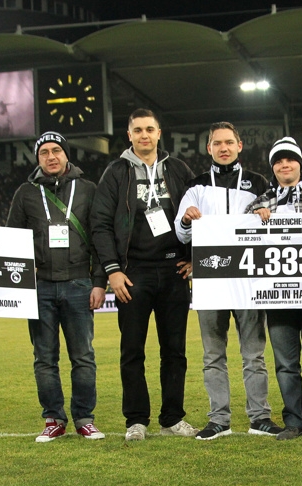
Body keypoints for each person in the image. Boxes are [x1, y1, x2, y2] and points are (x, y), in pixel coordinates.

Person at [92, 109, 199, 441]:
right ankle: (136, 420)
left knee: (175, 350)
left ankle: (172, 417)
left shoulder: (178, 169)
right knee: (132, 350)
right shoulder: (115, 173)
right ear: (129, 134)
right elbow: (100, 224)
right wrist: (112, 271)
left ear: (159, 132)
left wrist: (195, 258)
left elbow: (200, 212)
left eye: (149, 129)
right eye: (137, 130)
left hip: (173, 270)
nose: (144, 135)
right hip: (133, 273)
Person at [175, 122, 283, 440]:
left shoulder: (260, 183)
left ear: (239, 146)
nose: (223, 148)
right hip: (211, 281)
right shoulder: (195, 187)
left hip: (249, 282)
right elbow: (181, 233)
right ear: (209, 148)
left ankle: (259, 418)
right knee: (213, 355)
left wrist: (269, 214)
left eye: (229, 142)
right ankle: (219, 420)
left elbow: (278, 227)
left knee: (253, 353)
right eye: (217, 143)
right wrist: (186, 218)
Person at [7, 131, 107, 442]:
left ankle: (84, 418)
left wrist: (99, 283)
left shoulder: (89, 190)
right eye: (44, 153)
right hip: (40, 286)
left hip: (79, 283)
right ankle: (53, 418)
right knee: (44, 358)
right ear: (37, 159)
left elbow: (100, 239)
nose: (51, 157)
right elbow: (12, 241)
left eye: (56, 151)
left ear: (66, 155)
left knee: (83, 356)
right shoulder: (25, 193)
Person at [243, 137, 302, 441]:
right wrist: (254, 221)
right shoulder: (259, 203)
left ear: (299, 164)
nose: (285, 165)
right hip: (276, 295)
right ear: (273, 167)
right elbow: (241, 240)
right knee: (285, 365)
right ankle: (294, 423)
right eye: (278, 161)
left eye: (290, 159)